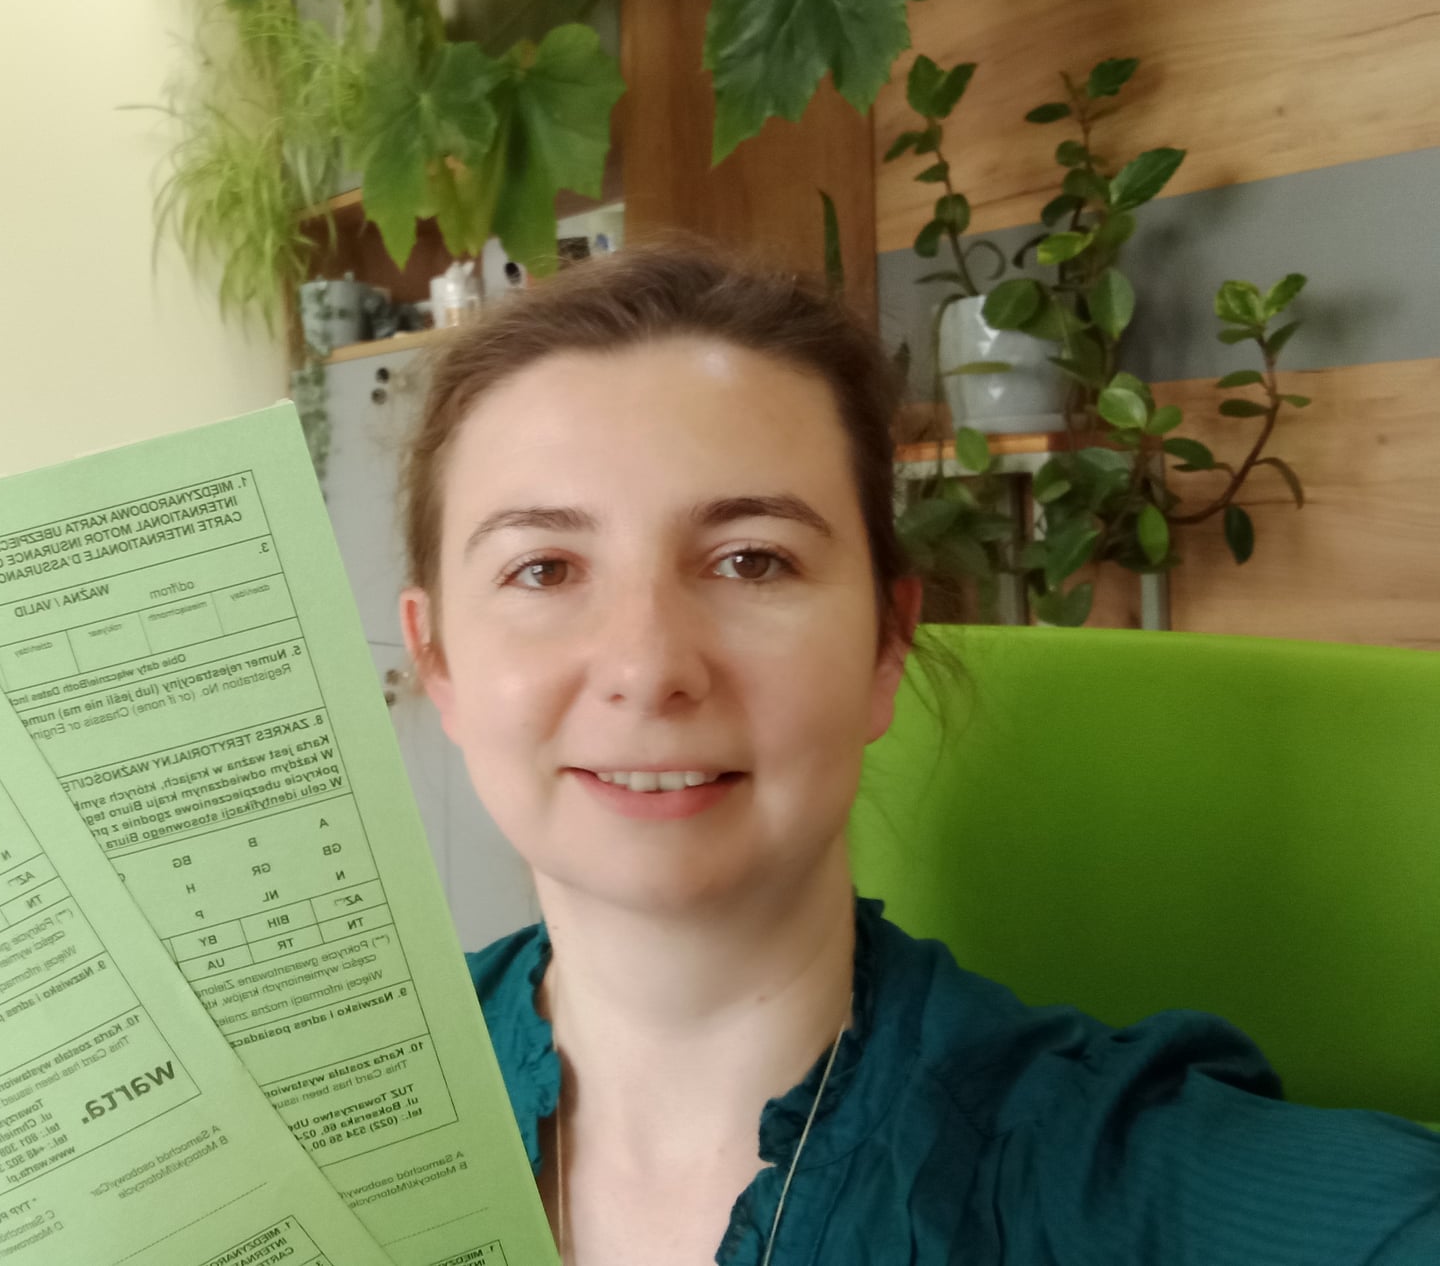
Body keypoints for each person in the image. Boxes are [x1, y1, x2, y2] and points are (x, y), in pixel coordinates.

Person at [392, 245, 1440, 1264]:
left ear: (887, 645)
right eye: (543, 569)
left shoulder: (1113, 1173)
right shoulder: (336, 1096)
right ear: (435, 659)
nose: (649, 666)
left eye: (751, 560)